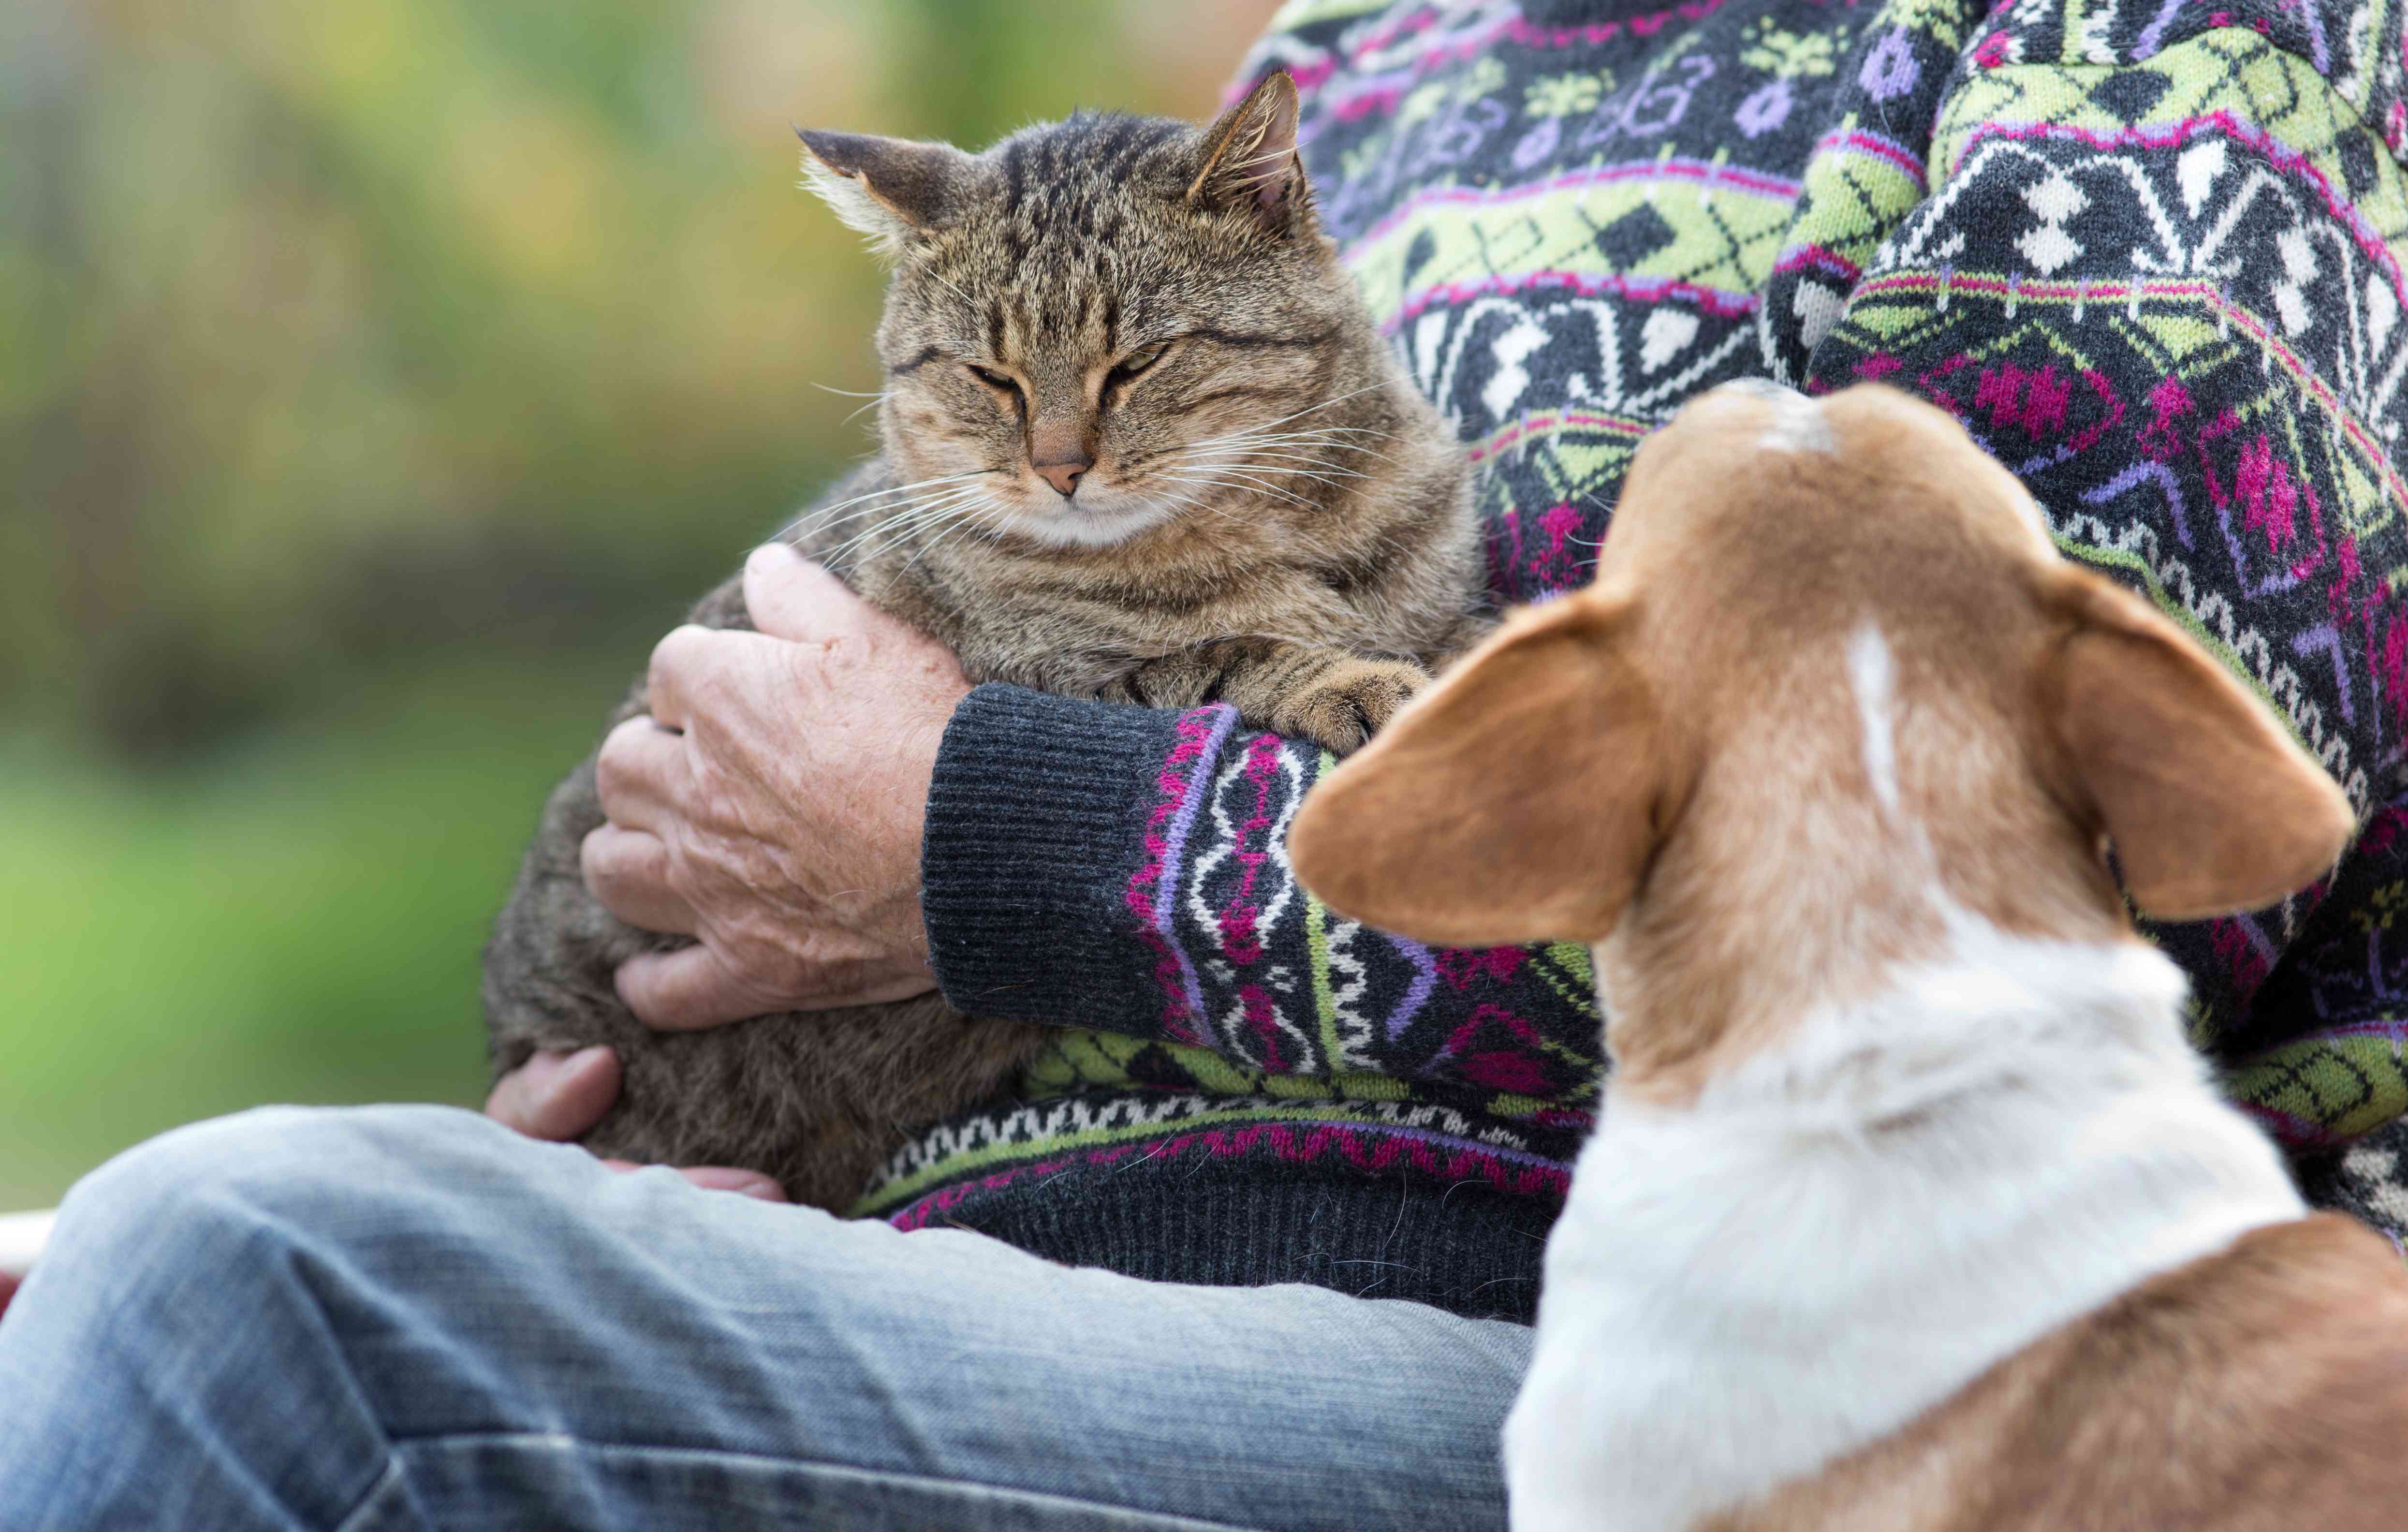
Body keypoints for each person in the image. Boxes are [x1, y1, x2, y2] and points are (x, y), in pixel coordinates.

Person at [5, 0, 2405, 1524]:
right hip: (930, 1241)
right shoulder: (1365, 56)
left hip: (1664, 1352)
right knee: (112, 1273)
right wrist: (661, 1142)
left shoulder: (2145, 59)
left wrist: (979, 835)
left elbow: (2050, 908)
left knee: (263, 1288)